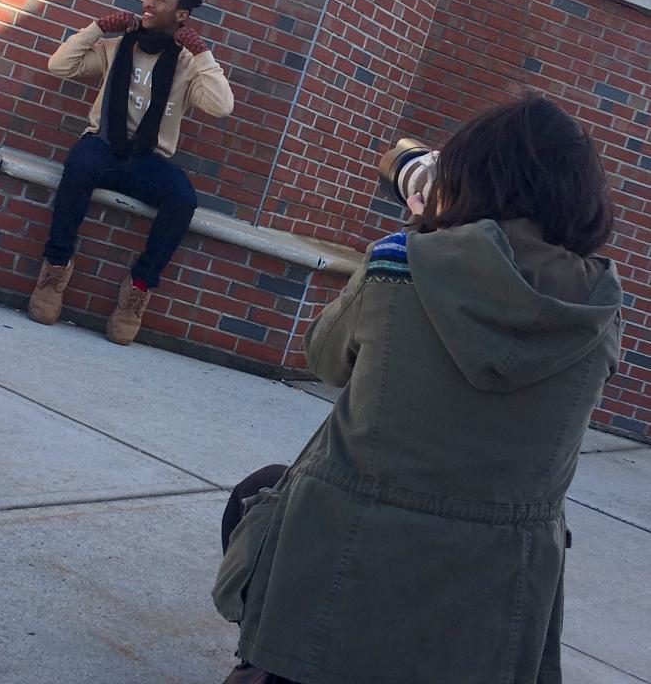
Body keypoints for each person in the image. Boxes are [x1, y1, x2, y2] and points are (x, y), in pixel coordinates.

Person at [213, 96, 622, 684]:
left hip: (351, 561)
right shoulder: (601, 311)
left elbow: (324, 357)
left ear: (468, 178)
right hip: (493, 607)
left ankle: (279, 660)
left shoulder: (399, 264)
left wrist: (422, 231)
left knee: (259, 491)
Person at [28, 0, 234, 345]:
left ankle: (138, 290)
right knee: (78, 166)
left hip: (147, 158)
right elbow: (59, 66)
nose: (149, 3)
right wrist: (96, 29)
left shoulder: (188, 66)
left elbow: (221, 106)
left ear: (182, 14)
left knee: (182, 199)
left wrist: (203, 55)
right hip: (103, 143)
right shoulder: (117, 45)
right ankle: (55, 270)